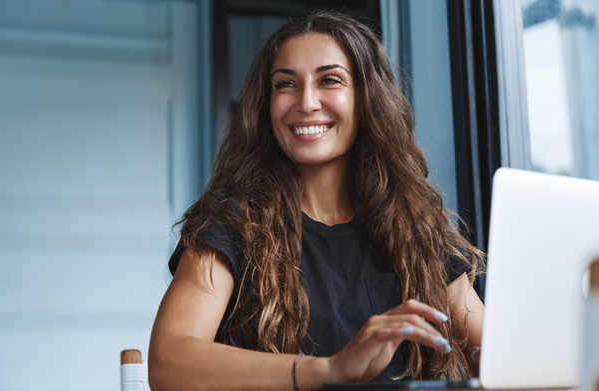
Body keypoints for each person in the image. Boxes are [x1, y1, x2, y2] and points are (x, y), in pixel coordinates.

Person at [148, 11, 485, 391]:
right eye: (286, 84)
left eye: (330, 80)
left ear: (367, 98)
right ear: (266, 105)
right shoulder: (230, 223)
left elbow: (495, 355)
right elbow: (169, 363)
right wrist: (328, 370)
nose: (306, 102)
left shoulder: (415, 227)